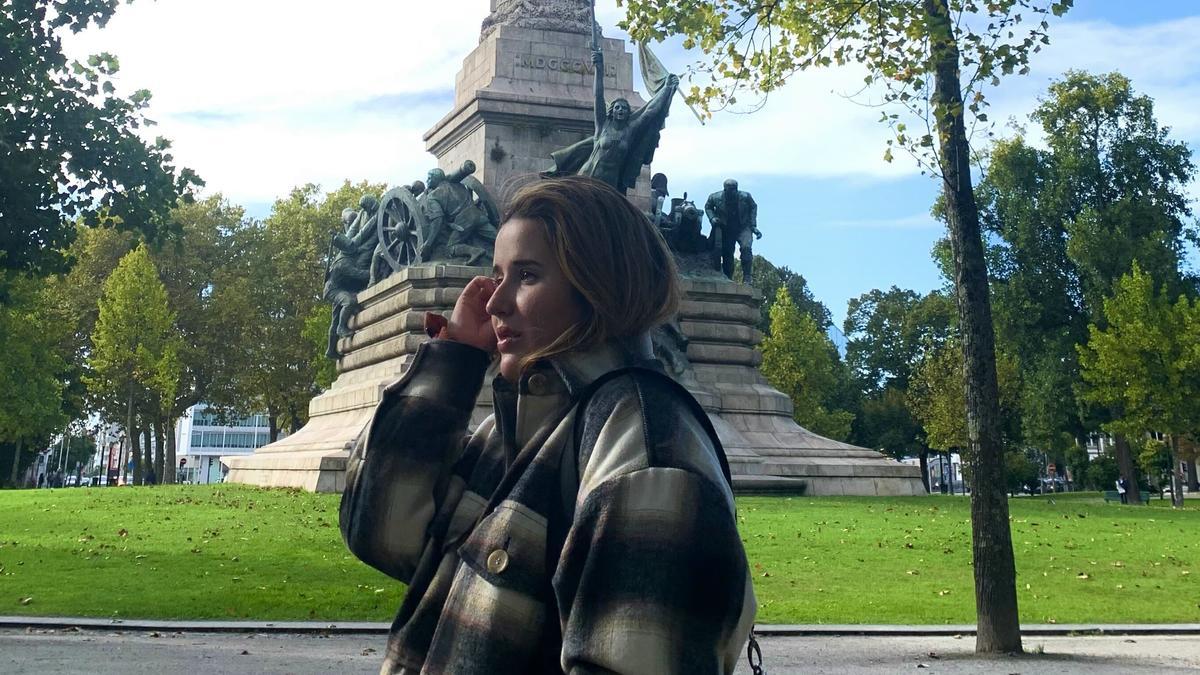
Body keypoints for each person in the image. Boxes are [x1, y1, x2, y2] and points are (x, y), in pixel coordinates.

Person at [340, 176, 756, 674]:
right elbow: (381, 531)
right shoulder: (517, 429)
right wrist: (452, 361)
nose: (493, 303)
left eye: (527, 276)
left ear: (599, 285)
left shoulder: (644, 443)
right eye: (498, 275)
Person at [546, 49, 679, 194]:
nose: (621, 110)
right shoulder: (602, 125)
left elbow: (649, 112)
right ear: (612, 111)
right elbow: (598, 95)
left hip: (611, 183)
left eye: (624, 108)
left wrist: (666, 89)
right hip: (588, 176)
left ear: (628, 113)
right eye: (617, 107)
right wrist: (599, 67)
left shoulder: (630, 130)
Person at [704, 179, 761, 283]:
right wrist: (712, 218)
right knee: (727, 254)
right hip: (727, 228)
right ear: (725, 190)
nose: (732, 192)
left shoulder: (746, 196)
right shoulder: (715, 197)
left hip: (743, 227)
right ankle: (727, 278)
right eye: (730, 190)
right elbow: (708, 207)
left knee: (746, 248)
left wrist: (753, 225)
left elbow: (753, 207)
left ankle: (747, 276)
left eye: (734, 190)